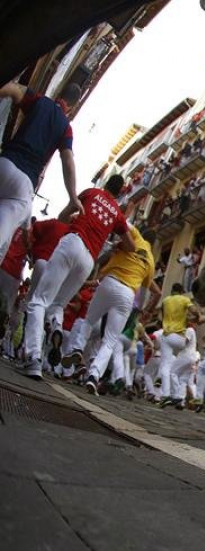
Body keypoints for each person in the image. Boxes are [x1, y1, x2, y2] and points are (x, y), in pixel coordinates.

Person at [21, 175, 131, 380]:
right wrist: (116, 243)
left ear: (106, 185)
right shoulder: (117, 213)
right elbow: (131, 245)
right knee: (58, 305)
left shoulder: (91, 193)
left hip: (73, 241)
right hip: (88, 260)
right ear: (121, 192)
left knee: (39, 300)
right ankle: (56, 327)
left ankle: (33, 357)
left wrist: (68, 220)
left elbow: (65, 214)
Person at [0, 81, 82, 265]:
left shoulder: (39, 101)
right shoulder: (65, 128)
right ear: (72, 106)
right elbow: (67, 160)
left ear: (59, 92)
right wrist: (73, 196)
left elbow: (14, 88)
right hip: (23, 184)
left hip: (4, 162)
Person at [75, 227, 160, 395]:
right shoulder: (150, 261)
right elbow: (144, 294)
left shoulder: (135, 237)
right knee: (110, 341)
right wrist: (141, 310)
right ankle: (94, 375)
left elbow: (123, 223)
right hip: (128, 295)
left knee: (89, 322)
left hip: (110, 281)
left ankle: (77, 350)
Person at [157, 283, 200, 403]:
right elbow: (194, 311)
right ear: (181, 291)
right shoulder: (185, 299)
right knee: (180, 372)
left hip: (166, 334)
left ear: (172, 291)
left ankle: (166, 394)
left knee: (166, 365)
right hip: (180, 338)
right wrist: (197, 317)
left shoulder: (165, 301)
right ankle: (178, 396)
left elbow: (160, 318)